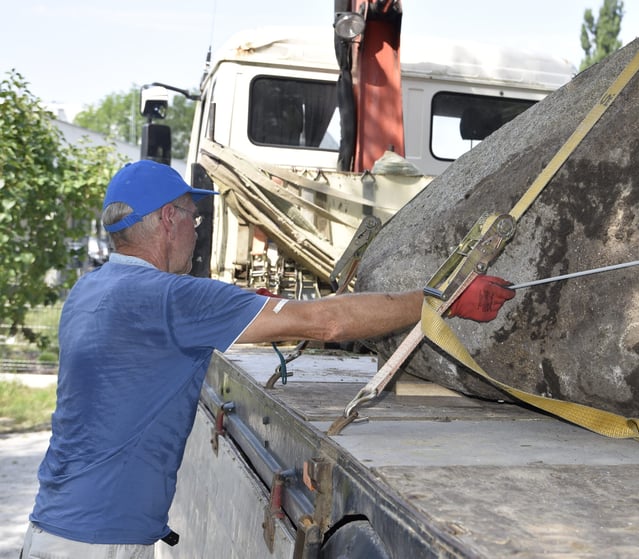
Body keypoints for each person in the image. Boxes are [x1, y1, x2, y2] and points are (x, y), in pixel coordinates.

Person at [21, 160, 515, 559]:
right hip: (94, 543)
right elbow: (327, 324)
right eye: (193, 219)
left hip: (65, 525)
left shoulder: (91, 290)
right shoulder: (170, 298)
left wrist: (244, 304)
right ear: (168, 219)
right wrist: (436, 302)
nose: (196, 232)